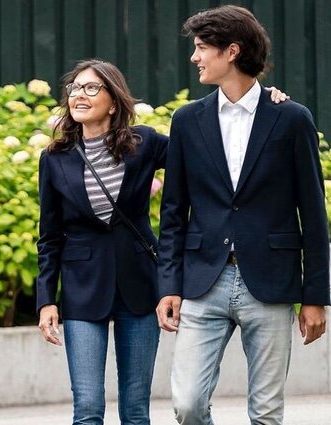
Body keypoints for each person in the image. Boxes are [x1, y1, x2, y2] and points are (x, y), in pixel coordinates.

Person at [156, 5, 329, 424]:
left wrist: (316, 297)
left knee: (267, 412)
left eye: (201, 48)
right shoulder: (186, 120)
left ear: (231, 51)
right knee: (188, 404)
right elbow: (174, 210)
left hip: (269, 281)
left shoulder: (290, 118)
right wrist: (168, 284)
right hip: (202, 280)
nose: (195, 58)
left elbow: (313, 214)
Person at [36, 59, 168, 425]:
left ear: (113, 101)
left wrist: (261, 100)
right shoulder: (54, 159)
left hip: (140, 283)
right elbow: (49, 236)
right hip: (82, 287)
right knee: (89, 408)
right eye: (75, 88)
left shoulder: (145, 144)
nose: (80, 94)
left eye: (91, 88)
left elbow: (202, 154)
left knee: (136, 410)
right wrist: (46, 299)